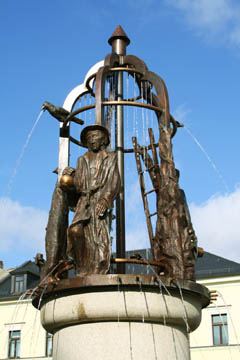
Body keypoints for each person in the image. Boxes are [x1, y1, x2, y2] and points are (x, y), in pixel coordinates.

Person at [62, 124, 120, 276]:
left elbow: (114, 181)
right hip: (85, 202)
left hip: (101, 200)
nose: (91, 140)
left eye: (95, 136)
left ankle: (98, 266)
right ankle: (81, 266)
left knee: (98, 236)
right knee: (75, 231)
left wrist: (106, 200)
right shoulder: (82, 160)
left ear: (103, 140)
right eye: (88, 138)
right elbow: (79, 185)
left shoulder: (111, 157)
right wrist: (71, 176)